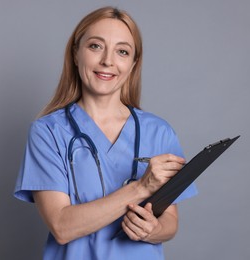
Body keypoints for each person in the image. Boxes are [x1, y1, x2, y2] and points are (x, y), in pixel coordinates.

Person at [14, 6, 197, 260]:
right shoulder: (48, 133)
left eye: (122, 51)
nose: (108, 61)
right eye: (95, 46)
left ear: (133, 64)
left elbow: (170, 223)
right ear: (76, 54)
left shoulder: (159, 132)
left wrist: (153, 230)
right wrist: (141, 188)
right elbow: (62, 226)